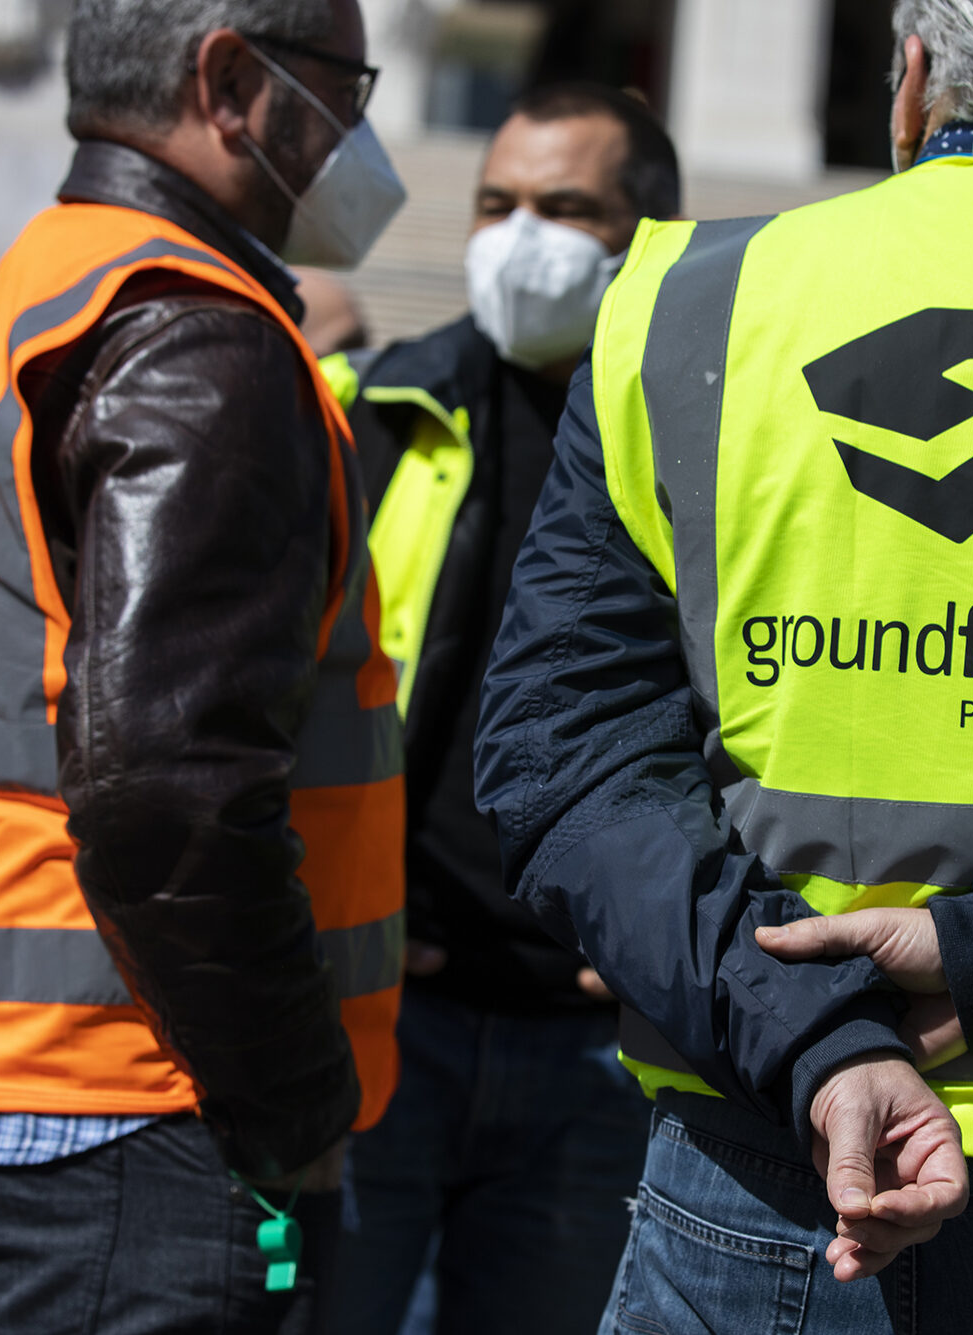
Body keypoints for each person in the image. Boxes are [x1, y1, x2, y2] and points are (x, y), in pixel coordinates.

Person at [475, 0, 973, 1329]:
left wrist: (813, 1024)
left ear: (907, 82)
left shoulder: (683, 303)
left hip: (745, 1163)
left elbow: (563, 752)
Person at [0, 1, 406, 1331]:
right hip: (135, 1117)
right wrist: (296, 1098)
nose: (359, 132)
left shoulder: (31, 293)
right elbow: (169, 786)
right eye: (341, 85)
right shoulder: (198, 334)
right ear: (232, 83)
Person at [318, 83, 679, 1335]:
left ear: (649, 231)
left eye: (566, 208)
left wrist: (665, 939)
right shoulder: (381, 414)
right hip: (388, 1017)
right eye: (495, 204)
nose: (519, 237)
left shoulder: (706, 441)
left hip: (596, 1049)